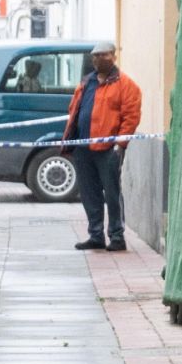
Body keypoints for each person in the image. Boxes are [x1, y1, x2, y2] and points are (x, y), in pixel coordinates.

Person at [62, 41, 142, 251]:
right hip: (83, 146)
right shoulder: (87, 82)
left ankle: (117, 236)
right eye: (95, 56)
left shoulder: (126, 85)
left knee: (112, 192)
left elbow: (131, 116)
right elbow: (75, 110)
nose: (97, 59)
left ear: (113, 57)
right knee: (89, 193)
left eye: (103, 55)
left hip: (108, 149)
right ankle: (95, 234)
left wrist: (120, 143)